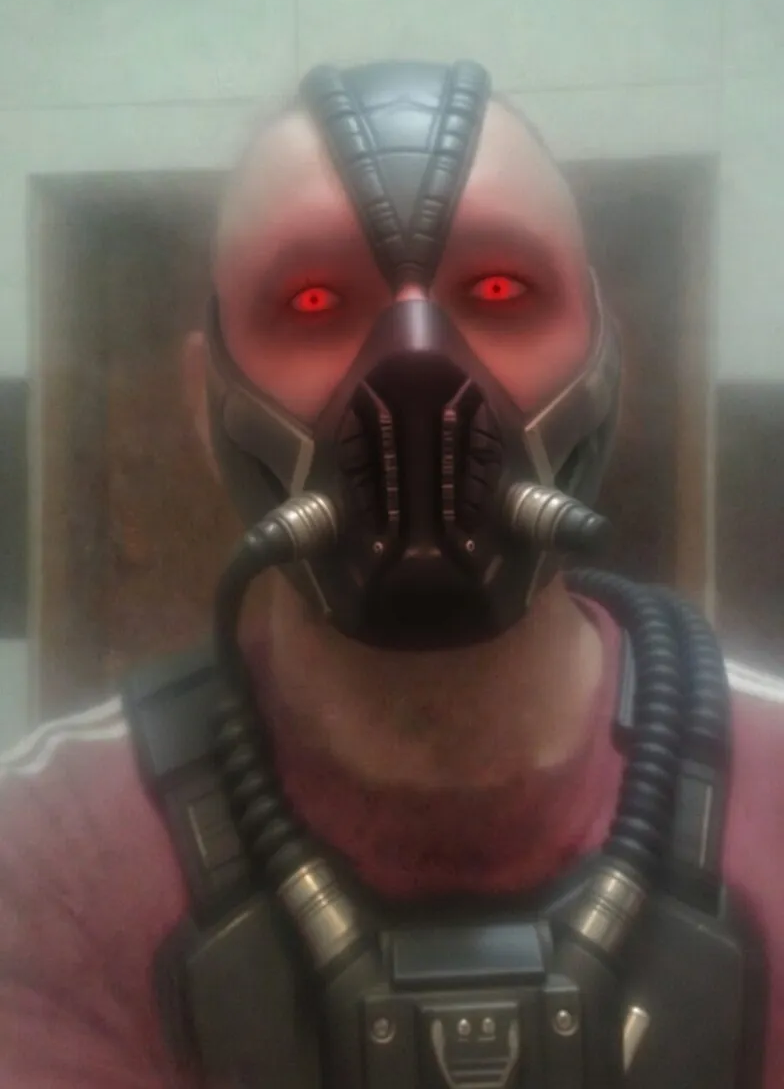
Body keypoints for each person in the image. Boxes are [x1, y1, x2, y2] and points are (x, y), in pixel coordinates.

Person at [1, 59, 782, 1088]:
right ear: (206, 400)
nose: (417, 368)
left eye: (500, 290)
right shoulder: (39, 862)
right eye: (313, 298)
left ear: (607, 361)